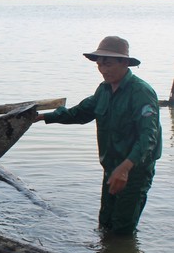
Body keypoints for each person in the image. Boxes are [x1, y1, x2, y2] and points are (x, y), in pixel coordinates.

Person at [35, 36, 162, 235]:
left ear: (125, 63)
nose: (103, 69)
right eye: (100, 64)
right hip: (112, 168)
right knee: (105, 222)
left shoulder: (141, 92)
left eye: (108, 64)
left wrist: (125, 168)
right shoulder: (103, 90)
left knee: (123, 228)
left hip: (134, 171)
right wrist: (40, 117)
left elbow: (149, 138)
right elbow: (78, 113)